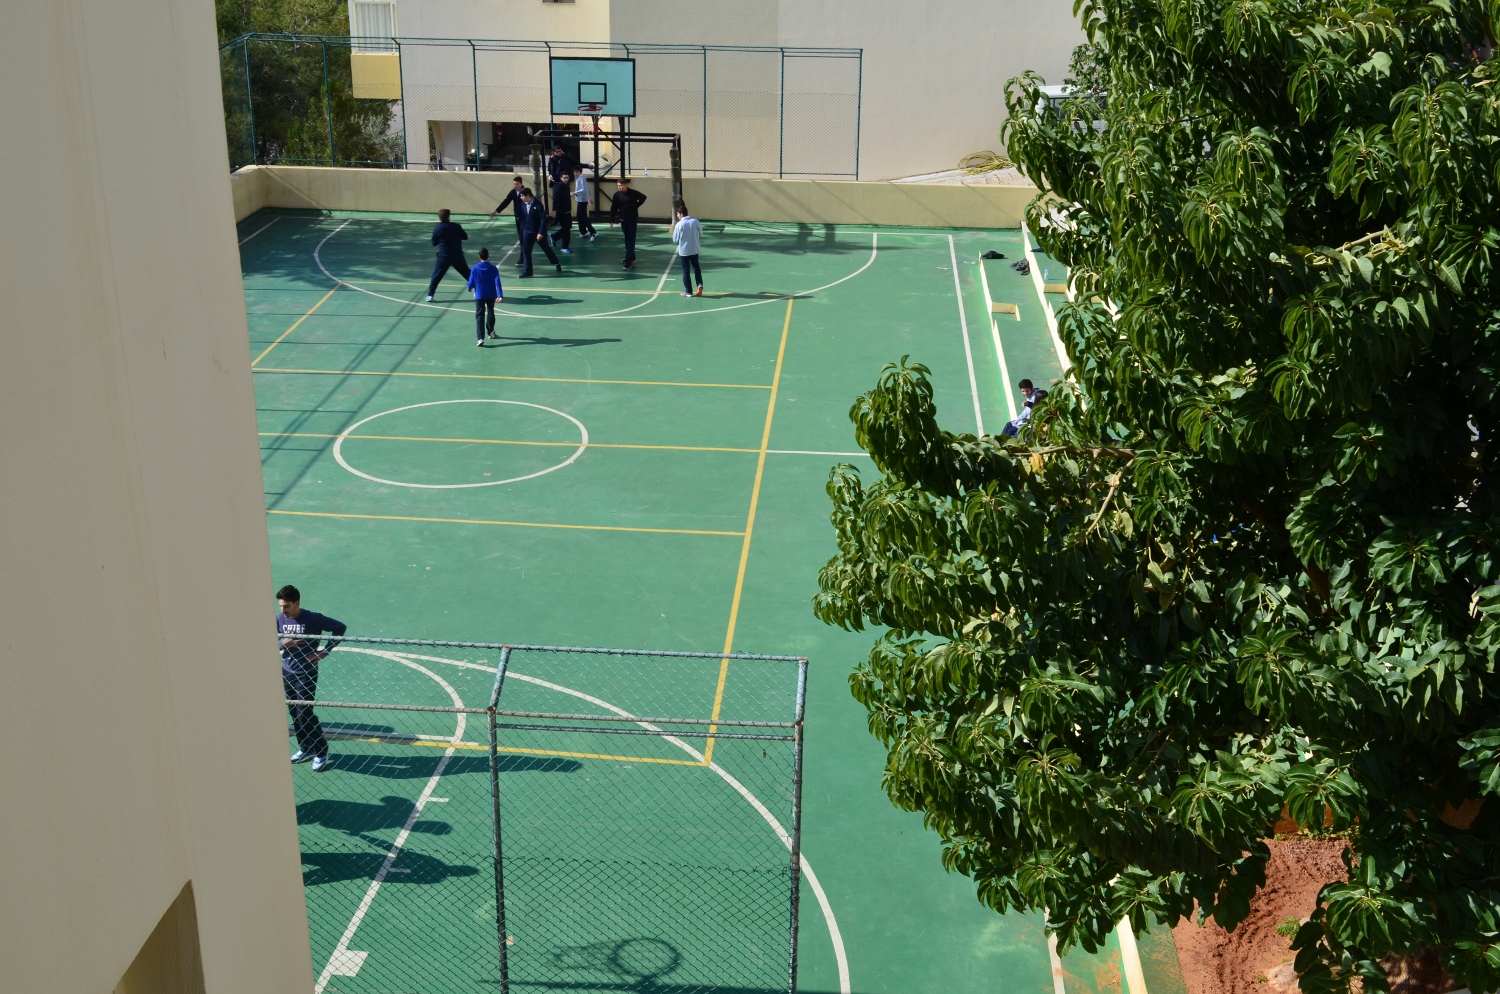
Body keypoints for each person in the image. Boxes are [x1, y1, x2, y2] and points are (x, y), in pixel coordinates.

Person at [275, 584, 346, 773]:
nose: (283, 610)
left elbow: (340, 628)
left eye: (287, 606)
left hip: (306, 672)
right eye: (281, 606)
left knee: (304, 713)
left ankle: (321, 751)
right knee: (293, 713)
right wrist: (283, 642)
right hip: (287, 671)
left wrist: (325, 651)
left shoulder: (313, 619)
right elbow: (267, 639)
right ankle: (306, 748)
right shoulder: (279, 619)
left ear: (297, 603)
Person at [425, 209, 470, 301]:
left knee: (437, 275)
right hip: (457, 255)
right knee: (467, 273)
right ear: (449, 217)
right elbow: (465, 237)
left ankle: (430, 295)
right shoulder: (456, 226)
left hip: (444, 256)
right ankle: (480, 290)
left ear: (440, 218)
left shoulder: (437, 228)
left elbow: (434, 242)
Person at [518, 188, 562, 277]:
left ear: (528, 195)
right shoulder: (523, 204)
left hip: (538, 232)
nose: (521, 198)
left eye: (522, 196)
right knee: (526, 251)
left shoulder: (538, 205)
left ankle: (557, 263)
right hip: (527, 231)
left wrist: (540, 233)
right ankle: (528, 271)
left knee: (546, 249)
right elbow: (523, 219)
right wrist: (522, 233)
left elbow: (543, 219)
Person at [466, 247, 504, 346]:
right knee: (491, 312)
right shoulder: (493, 268)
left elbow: (471, 281)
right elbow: (497, 282)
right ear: (488, 256)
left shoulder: (474, 268)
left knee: (479, 316)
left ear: (479, 257)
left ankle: (480, 338)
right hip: (491, 294)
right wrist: (500, 294)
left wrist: (469, 287)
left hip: (479, 295)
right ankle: (491, 332)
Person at [609, 178, 648, 270]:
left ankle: (628, 261)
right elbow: (613, 208)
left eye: (621, 185)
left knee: (631, 239)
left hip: (632, 220)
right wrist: (612, 221)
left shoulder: (633, 193)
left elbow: (643, 197)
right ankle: (632, 257)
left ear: (626, 185)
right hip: (623, 220)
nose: (619, 187)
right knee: (627, 239)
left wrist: (636, 206)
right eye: (618, 185)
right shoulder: (617, 195)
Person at [489, 176, 529, 266]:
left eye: (517, 184)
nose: (515, 186)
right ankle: (523, 257)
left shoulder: (526, 192)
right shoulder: (513, 192)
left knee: (524, 238)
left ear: (521, 184)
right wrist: (496, 210)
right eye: (514, 184)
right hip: (518, 218)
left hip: (526, 219)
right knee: (522, 238)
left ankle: (523, 258)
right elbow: (506, 201)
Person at [671, 204, 704, 297]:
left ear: (681, 214)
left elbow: (675, 239)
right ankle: (700, 284)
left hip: (684, 251)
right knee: (696, 268)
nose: (677, 216)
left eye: (677, 214)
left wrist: (674, 232)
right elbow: (701, 233)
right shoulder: (695, 221)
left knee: (686, 271)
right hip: (695, 249)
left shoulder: (679, 224)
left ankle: (688, 291)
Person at [549, 170, 575, 254]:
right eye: (564, 178)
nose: (566, 179)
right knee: (566, 229)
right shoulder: (559, 187)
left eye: (567, 178)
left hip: (567, 211)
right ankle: (564, 246)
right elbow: (556, 199)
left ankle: (555, 236)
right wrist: (554, 210)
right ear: (561, 178)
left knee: (568, 226)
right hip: (562, 212)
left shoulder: (566, 186)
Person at [573, 168, 598, 241]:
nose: (575, 173)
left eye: (576, 172)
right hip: (581, 200)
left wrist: (575, 193)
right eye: (574, 172)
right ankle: (583, 232)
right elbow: (588, 188)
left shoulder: (581, 178)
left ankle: (593, 232)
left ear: (580, 172)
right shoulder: (579, 178)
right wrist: (589, 198)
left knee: (583, 217)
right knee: (579, 216)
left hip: (582, 200)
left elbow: (584, 189)